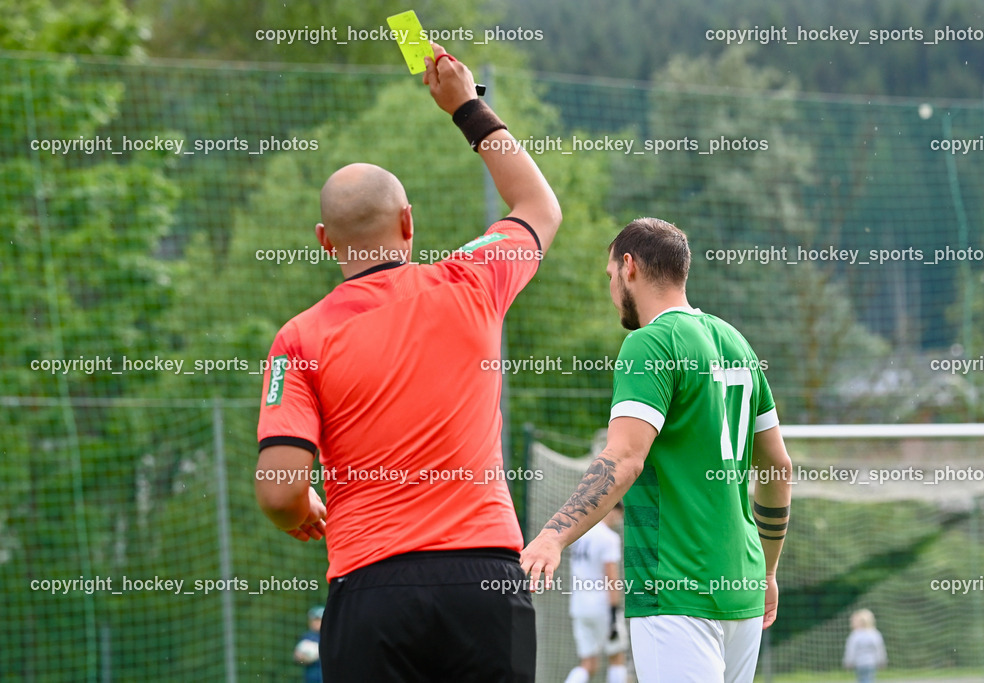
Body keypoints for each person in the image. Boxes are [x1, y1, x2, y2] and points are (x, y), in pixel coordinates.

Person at [253, 41, 561, 682]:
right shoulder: (471, 280)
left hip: (371, 589)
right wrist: (468, 107)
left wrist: (305, 508)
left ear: (323, 241)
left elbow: (279, 492)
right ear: (408, 222)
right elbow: (538, 208)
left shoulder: (300, 337)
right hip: (486, 581)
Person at [521, 217, 793, 683]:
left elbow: (624, 459)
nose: (611, 290)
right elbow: (778, 469)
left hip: (674, 588)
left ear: (629, 267)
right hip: (742, 587)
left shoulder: (648, 343)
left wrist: (553, 535)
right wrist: (766, 572)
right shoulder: (737, 344)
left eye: (609, 276)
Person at [564, 502, 628, 683]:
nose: (618, 520)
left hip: (579, 606)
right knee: (616, 657)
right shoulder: (609, 538)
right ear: (611, 511)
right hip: (602, 606)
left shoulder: (579, 535)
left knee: (588, 663)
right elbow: (611, 578)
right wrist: (614, 611)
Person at [843, 608, 887, 683]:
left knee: (863, 679)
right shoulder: (875, 633)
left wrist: (848, 662)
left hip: (859, 663)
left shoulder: (855, 634)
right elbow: (879, 649)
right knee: (869, 679)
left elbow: (851, 650)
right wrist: (882, 661)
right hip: (871, 663)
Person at [293, 605, 324, 683]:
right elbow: (297, 657)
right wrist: (304, 658)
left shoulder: (330, 636)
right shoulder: (307, 637)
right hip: (311, 678)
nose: (316, 623)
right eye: (314, 620)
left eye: (318, 620)